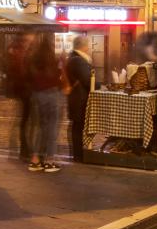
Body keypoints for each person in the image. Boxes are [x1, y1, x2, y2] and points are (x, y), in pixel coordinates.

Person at [27, 38, 62, 173]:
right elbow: (58, 77)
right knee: (52, 128)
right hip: (51, 94)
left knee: (40, 127)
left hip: (37, 95)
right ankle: (49, 160)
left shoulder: (33, 61)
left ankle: (35, 160)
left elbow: (29, 77)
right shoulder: (53, 60)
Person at [5, 32, 35, 161]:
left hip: (22, 89)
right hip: (25, 90)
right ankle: (24, 150)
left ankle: (23, 149)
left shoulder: (16, 49)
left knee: (24, 120)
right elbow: (22, 72)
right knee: (26, 121)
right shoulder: (19, 51)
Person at [65, 36, 93, 164]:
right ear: (84, 46)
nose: (90, 47)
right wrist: (100, 86)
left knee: (77, 127)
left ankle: (78, 154)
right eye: (89, 45)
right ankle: (78, 156)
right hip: (79, 99)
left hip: (76, 98)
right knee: (78, 127)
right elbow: (87, 80)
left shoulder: (74, 58)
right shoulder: (78, 60)